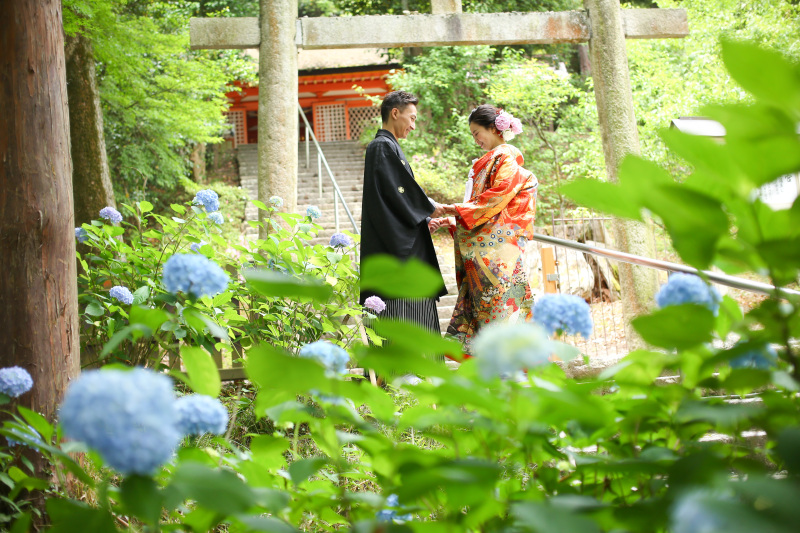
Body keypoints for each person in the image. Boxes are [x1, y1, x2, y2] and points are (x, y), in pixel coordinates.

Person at [431, 104, 538, 353]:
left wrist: (451, 209)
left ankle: (504, 369)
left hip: (498, 250)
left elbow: (494, 199)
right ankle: (496, 369)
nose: (475, 139)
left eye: (477, 132)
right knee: (489, 305)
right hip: (489, 247)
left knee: (499, 304)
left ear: (493, 128)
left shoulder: (504, 158)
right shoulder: (489, 161)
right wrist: (453, 220)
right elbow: (480, 208)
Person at [360, 90, 447, 333]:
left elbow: (398, 196)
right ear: (395, 113)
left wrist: (423, 216)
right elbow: (398, 195)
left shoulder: (388, 146)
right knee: (402, 307)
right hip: (396, 248)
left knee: (413, 308)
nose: (413, 125)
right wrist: (428, 209)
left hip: (401, 240)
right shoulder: (381, 146)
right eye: (412, 118)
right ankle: (403, 369)